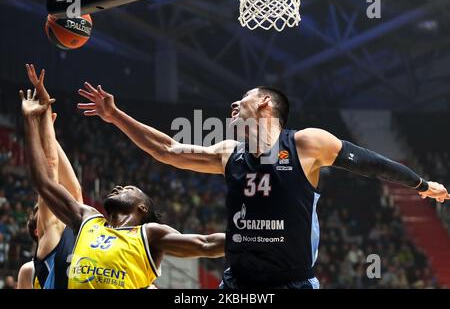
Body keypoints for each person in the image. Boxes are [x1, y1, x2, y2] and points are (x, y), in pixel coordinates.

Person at [77, 83, 449, 289]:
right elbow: (168, 149)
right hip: (238, 283)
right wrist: (115, 116)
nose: (233, 105)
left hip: (293, 282)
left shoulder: (306, 143)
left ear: (266, 103)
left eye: (243, 100)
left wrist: (419, 183)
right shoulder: (229, 153)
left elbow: (368, 163)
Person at [20, 89, 225, 289]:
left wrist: (253, 237)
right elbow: (45, 183)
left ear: (143, 208)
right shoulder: (88, 219)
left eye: (129, 188)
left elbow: (205, 243)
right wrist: (30, 121)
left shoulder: (150, 234)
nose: (118, 187)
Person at [16, 64, 83, 289]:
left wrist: (49, 133)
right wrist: (42, 116)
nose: (45, 206)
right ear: (38, 230)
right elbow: (50, 172)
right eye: (41, 210)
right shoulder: (52, 235)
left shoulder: (77, 230)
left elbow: (74, 190)